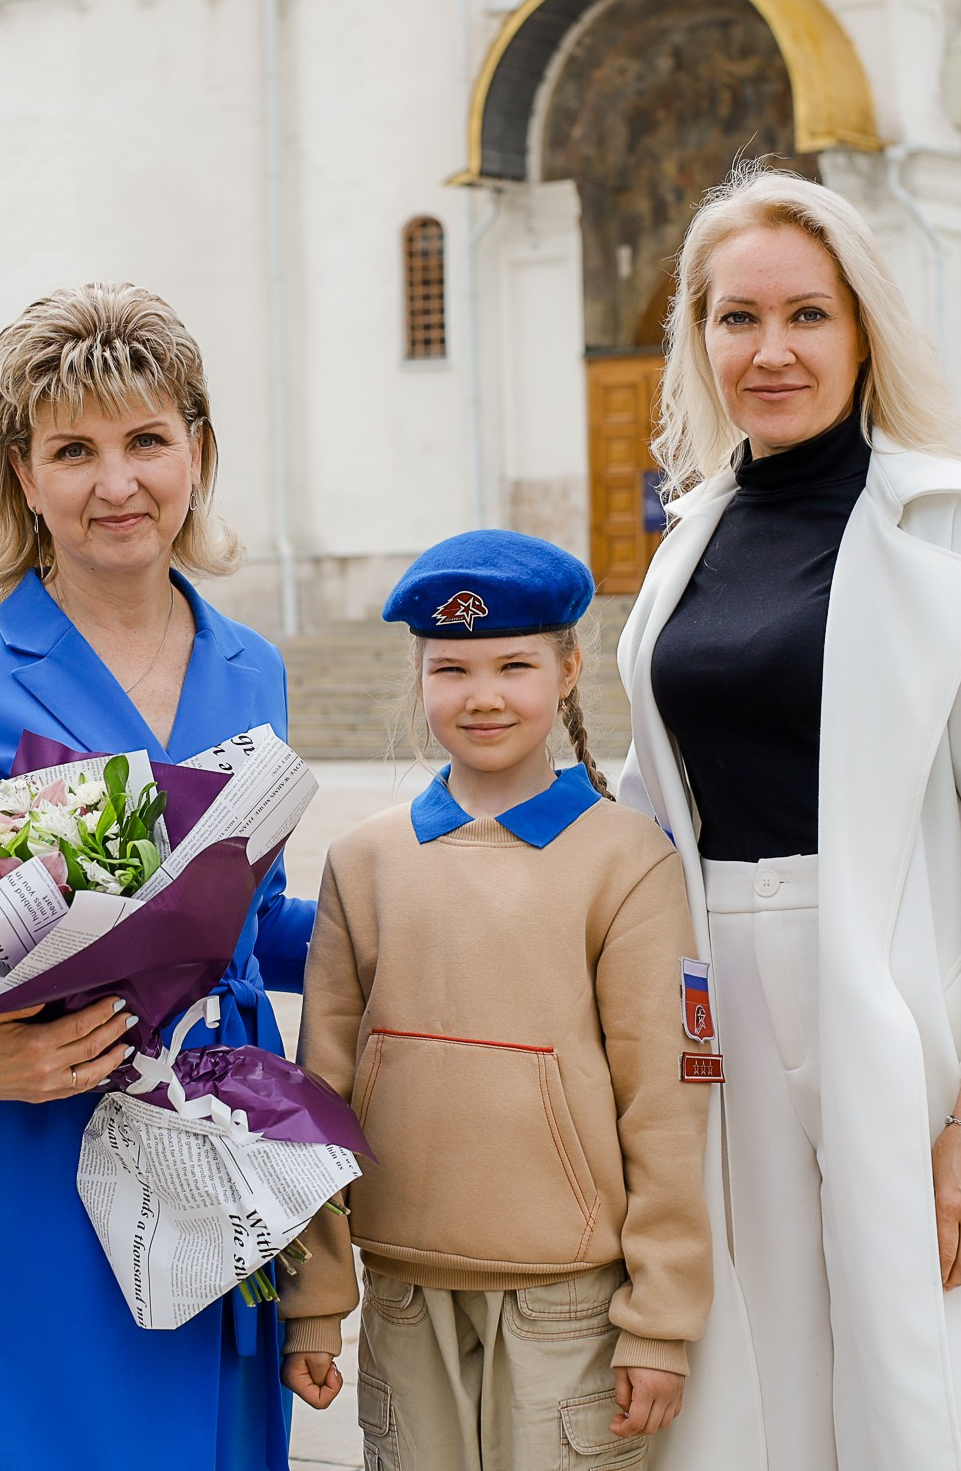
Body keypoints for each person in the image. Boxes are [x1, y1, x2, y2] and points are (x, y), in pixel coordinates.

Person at [616, 165, 961, 1469]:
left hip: (898, 990)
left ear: (862, 328)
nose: (770, 350)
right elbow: (647, 797)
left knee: (926, 1364)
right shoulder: (691, 536)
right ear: (700, 335)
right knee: (759, 1365)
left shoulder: (947, 522)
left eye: (807, 315)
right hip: (717, 990)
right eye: (736, 318)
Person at [0, 283, 314, 1471]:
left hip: (224, 1133)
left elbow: (258, 921)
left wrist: (439, 909)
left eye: (145, 441)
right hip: (30, 1158)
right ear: (23, 476)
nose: (117, 482)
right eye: (74, 449)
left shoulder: (252, 666)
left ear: (197, 452)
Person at [279, 530, 712, 1471]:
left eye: (514, 664)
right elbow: (319, 1094)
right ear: (420, 678)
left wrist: (660, 1321)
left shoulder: (627, 861)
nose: (482, 694)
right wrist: (315, 1294)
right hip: (403, 1292)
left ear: (568, 671)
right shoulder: (363, 862)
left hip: (571, 1301)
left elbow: (665, 1108)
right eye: (452, 668)